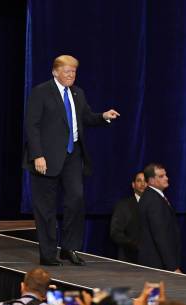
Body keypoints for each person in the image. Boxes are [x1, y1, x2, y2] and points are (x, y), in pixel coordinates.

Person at [23, 54, 120, 266]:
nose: (71, 75)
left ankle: (69, 247)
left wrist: (103, 116)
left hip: (72, 156)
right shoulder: (41, 92)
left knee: (76, 200)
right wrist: (37, 154)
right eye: (67, 71)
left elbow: (85, 117)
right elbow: (32, 126)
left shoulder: (78, 93)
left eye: (74, 72)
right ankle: (48, 253)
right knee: (46, 208)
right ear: (55, 72)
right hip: (46, 159)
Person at [138, 163, 181, 272]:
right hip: (158, 265)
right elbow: (160, 236)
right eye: (161, 176)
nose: (166, 178)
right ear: (151, 180)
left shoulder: (152, 196)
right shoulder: (153, 201)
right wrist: (172, 267)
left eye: (165, 175)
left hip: (157, 263)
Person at [110, 171, 146, 263]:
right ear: (133, 185)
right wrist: (134, 244)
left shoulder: (157, 205)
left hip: (154, 262)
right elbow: (115, 233)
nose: (142, 184)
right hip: (129, 259)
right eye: (139, 181)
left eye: (145, 181)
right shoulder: (123, 206)